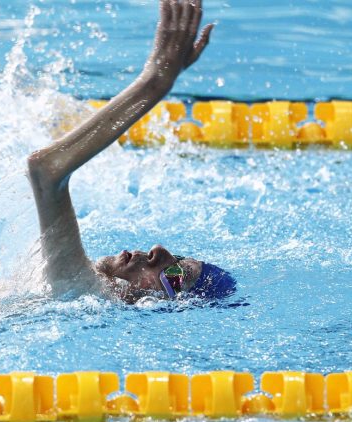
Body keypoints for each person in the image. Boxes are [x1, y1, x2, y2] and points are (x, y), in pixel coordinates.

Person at [27, 0, 235, 303]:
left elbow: (45, 170)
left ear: (158, 304)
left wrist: (155, 81)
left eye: (175, 275)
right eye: (177, 257)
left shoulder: (82, 292)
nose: (159, 251)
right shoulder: (66, 290)